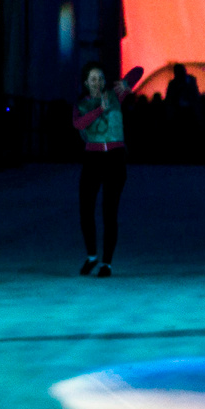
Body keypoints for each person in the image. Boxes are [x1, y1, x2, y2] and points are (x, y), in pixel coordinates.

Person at [72, 62, 137, 276]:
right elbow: (79, 124)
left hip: (115, 158)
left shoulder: (115, 96)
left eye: (100, 78)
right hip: (93, 158)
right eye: (93, 79)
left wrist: (126, 83)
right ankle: (92, 256)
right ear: (85, 82)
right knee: (86, 209)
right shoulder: (81, 104)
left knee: (110, 211)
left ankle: (106, 263)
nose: (98, 82)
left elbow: (139, 71)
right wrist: (100, 109)